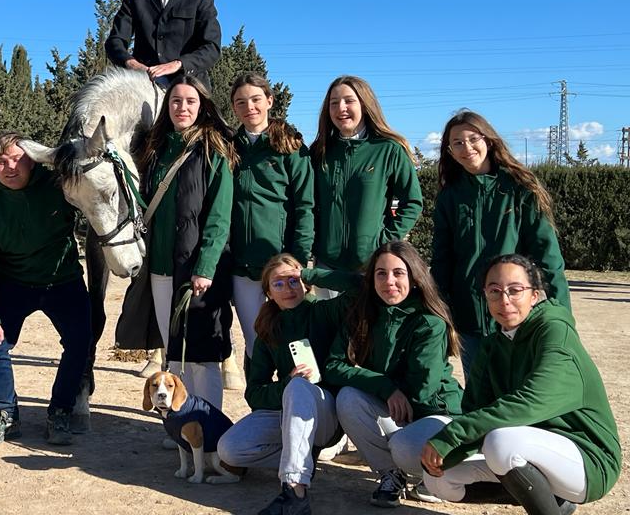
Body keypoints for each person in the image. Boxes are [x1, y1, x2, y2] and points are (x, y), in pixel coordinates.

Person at [421, 254, 620, 515]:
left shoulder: (555, 332)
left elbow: (528, 402)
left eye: (515, 290)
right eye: (494, 291)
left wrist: (451, 437)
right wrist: (446, 455)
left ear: (535, 294)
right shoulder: (492, 346)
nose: (505, 300)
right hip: (537, 453)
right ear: (484, 295)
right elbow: (476, 411)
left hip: (588, 459)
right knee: (440, 482)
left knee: (502, 442)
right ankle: (550, 506)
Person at [0, 132, 92, 447]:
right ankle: (6, 415)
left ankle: (60, 412)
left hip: (62, 279)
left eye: (17, 159)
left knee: (80, 342)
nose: (9, 167)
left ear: (32, 161)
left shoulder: (58, 187)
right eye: (0, 162)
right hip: (14, 282)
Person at [217, 254, 357, 515]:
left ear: (305, 284)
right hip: (287, 408)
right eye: (278, 284)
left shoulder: (324, 312)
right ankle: (302, 456)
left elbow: (360, 288)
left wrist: (312, 274)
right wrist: (285, 385)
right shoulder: (268, 327)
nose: (288, 288)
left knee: (300, 387)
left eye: (294, 281)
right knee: (229, 450)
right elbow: (254, 393)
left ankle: (295, 492)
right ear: (268, 292)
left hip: (327, 412)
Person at [324, 240, 462, 508]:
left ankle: (430, 473)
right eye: (381, 273)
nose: (390, 281)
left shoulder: (429, 322)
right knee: (348, 398)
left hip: (436, 413)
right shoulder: (361, 315)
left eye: (399, 273)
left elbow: (421, 388)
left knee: (404, 446)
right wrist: (384, 387)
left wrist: (384, 386)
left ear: (415, 277)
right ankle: (391, 475)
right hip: (396, 406)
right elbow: (333, 365)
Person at [432, 110, 570, 375]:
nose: (467, 148)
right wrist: (439, 309)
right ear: (449, 150)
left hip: (518, 315)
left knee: (522, 395)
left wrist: (561, 314)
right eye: (457, 143)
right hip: (469, 317)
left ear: (489, 140)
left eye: (473, 139)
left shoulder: (520, 188)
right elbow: (442, 260)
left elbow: (547, 255)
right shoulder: (449, 197)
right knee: (479, 395)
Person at [134, 73, 235, 410]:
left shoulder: (214, 149)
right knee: (174, 348)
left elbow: (220, 216)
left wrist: (205, 267)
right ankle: (181, 424)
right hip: (160, 266)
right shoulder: (156, 148)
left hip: (197, 269)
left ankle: (209, 423)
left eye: (191, 101)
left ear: (202, 105)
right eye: (176, 100)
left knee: (202, 353)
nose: (183, 107)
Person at [228, 72, 314, 371]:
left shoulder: (289, 146)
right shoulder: (229, 147)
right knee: (256, 342)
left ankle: (307, 410)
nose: (249, 106)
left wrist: (298, 259)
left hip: (282, 266)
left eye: (255, 99)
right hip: (242, 268)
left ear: (269, 100)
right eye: (240, 102)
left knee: (295, 342)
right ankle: (262, 409)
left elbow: (305, 206)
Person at [309, 75, 422, 287]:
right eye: (334, 103)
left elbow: (412, 202)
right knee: (331, 321)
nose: (341, 108)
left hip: (370, 267)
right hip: (326, 266)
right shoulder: (319, 151)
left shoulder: (389, 149)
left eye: (349, 101)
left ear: (364, 104)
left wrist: (383, 242)